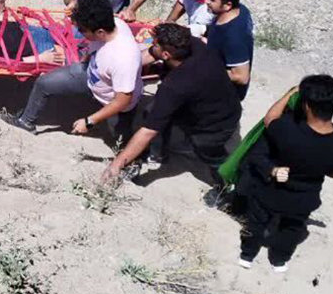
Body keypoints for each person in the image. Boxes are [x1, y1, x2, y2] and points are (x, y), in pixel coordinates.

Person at [237, 75, 333, 273]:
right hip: (304, 199)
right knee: (292, 229)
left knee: (256, 222)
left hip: (270, 193)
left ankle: (247, 255)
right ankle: (279, 260)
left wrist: (291, 93)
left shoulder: (286, 129)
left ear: (307, 106)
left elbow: (270, 118)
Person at [101, 24, 242, 183]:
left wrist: (116, 165)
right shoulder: (193, 44)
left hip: (216, 121)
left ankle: (228, 186)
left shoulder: (176, 86)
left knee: (208, 152)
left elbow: (148, 131)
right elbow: (152, 54)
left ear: (167, 55)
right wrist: (125, 67)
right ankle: (158, 153)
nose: (152, 46)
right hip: (213, 98)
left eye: (155, 44)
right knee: (152, 112)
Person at [1, 0, 143, 139]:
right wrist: (84, 59)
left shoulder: (123, 59)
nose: (80, 33)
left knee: (123, 141)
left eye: (82, 30)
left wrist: (89, 121)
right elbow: (94, 45)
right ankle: (25, 122)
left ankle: (140, 155)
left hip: (112, 101)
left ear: (100, 32)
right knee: (44, 83)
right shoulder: (114, 23)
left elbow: (122, 101)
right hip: (91, 75)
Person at [205, 0, 255, 100]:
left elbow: (242, 77)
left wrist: (206, 70)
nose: (206, 1)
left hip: (223, 95)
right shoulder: (240, 9)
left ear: (227, 5)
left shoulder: (234, 37)